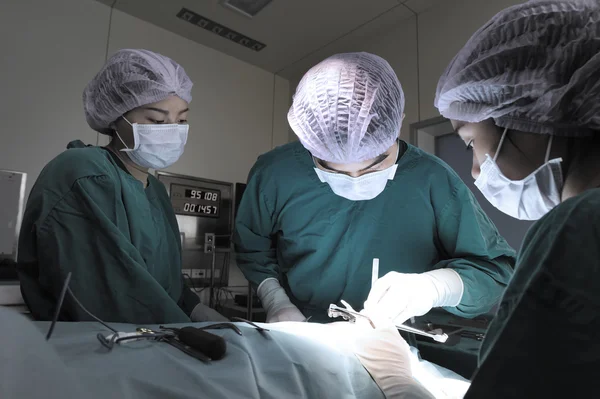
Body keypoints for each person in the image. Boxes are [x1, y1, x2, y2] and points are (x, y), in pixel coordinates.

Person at [355, 1, 600, 397]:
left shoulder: (581, 224)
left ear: (532, 114)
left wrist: (398, 382)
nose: (473, 172)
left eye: (469, 142)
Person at [234, 52, 515, 325]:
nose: (355, 178)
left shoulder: (433, 179)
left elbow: (492, 271)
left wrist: (432, 288)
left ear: (397, 121)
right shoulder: (275, 172)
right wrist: (276, 300)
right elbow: (252, 248)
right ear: (309, 142)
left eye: (375, 163)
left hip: (395, 335)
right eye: (331, 167)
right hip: (304, 327)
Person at [17, 49, 227, 324]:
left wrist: (194, 309)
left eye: (181, 120)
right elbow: (115, 296)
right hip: (96, 350)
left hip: (153, 341)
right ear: (116, 117)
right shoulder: (83, 174)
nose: (171, 130)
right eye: (157, 120)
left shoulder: (155, 192)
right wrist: (187, 330)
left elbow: (165, 282)